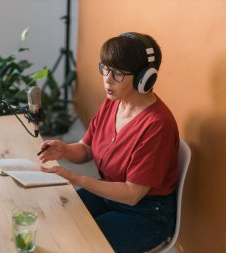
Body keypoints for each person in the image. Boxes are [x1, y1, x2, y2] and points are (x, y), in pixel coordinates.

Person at [38, 32, 179, 253]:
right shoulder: (114, 101)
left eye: (118, 73)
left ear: (145, 78)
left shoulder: (157, 125)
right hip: (108, 192)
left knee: (80, 245)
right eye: (105, 68)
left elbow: (132, 195)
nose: (107, 79)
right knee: (57, 218)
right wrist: (63, 149)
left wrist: (77, 178)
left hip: (145, 214)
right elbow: (86, 149)